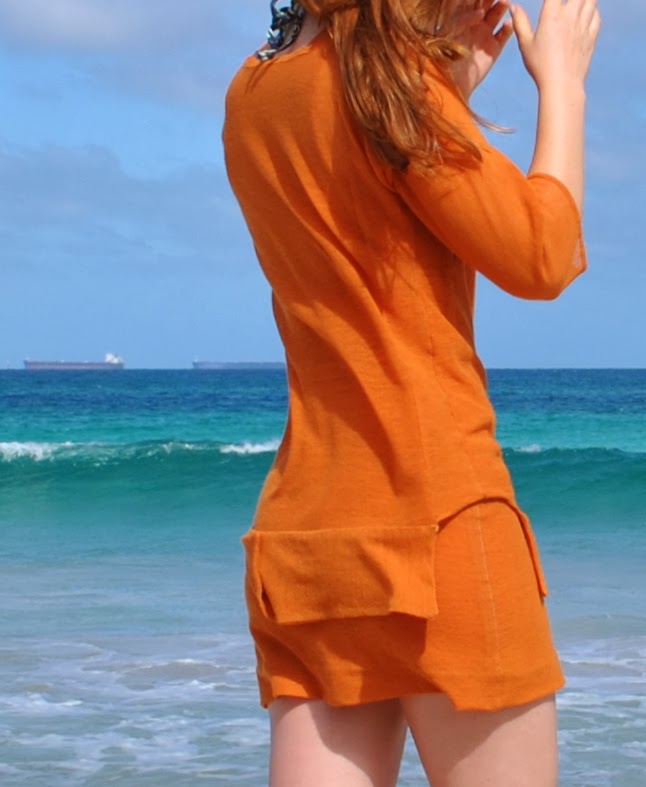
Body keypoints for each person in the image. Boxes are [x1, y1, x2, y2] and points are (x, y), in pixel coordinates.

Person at [223, 0, 600, 783]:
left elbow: (363, 214)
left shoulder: (251, 93)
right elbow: (541, 254)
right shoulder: (392, 89)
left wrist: (444, 94)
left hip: (307, 541)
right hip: (440, 525)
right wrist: (563, 85)